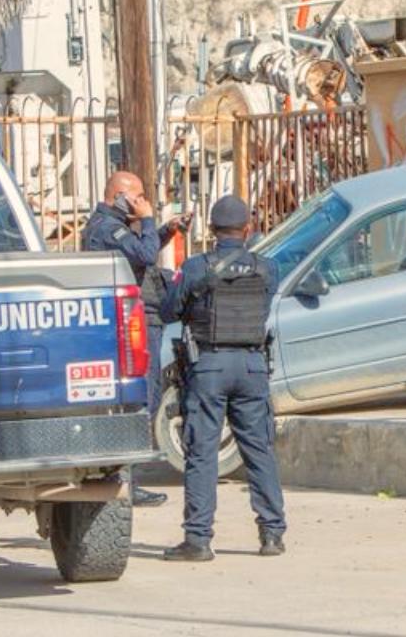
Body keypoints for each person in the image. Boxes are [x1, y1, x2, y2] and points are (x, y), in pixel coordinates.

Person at [160, 195, 287, 562]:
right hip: (252, 366)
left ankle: (198, 540)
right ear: (248, 229)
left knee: (202, 452)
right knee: (258, 449)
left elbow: (171, 309)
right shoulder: (268, 268)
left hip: (210, 366)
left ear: (212, 231)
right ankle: (272, 534)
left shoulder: (197, 267)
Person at [83, 170, 189, 508]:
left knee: (147, 399)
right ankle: (127, 483)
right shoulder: (106, 228)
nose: (143, 202)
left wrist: (165, 231)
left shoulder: (116, 227)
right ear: (119, 196)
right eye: (138, 196)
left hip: (145, 321)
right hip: (133, 324)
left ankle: (129, 480)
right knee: (140, 400)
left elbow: (142, 250)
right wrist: (148, 220)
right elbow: (143, 255)